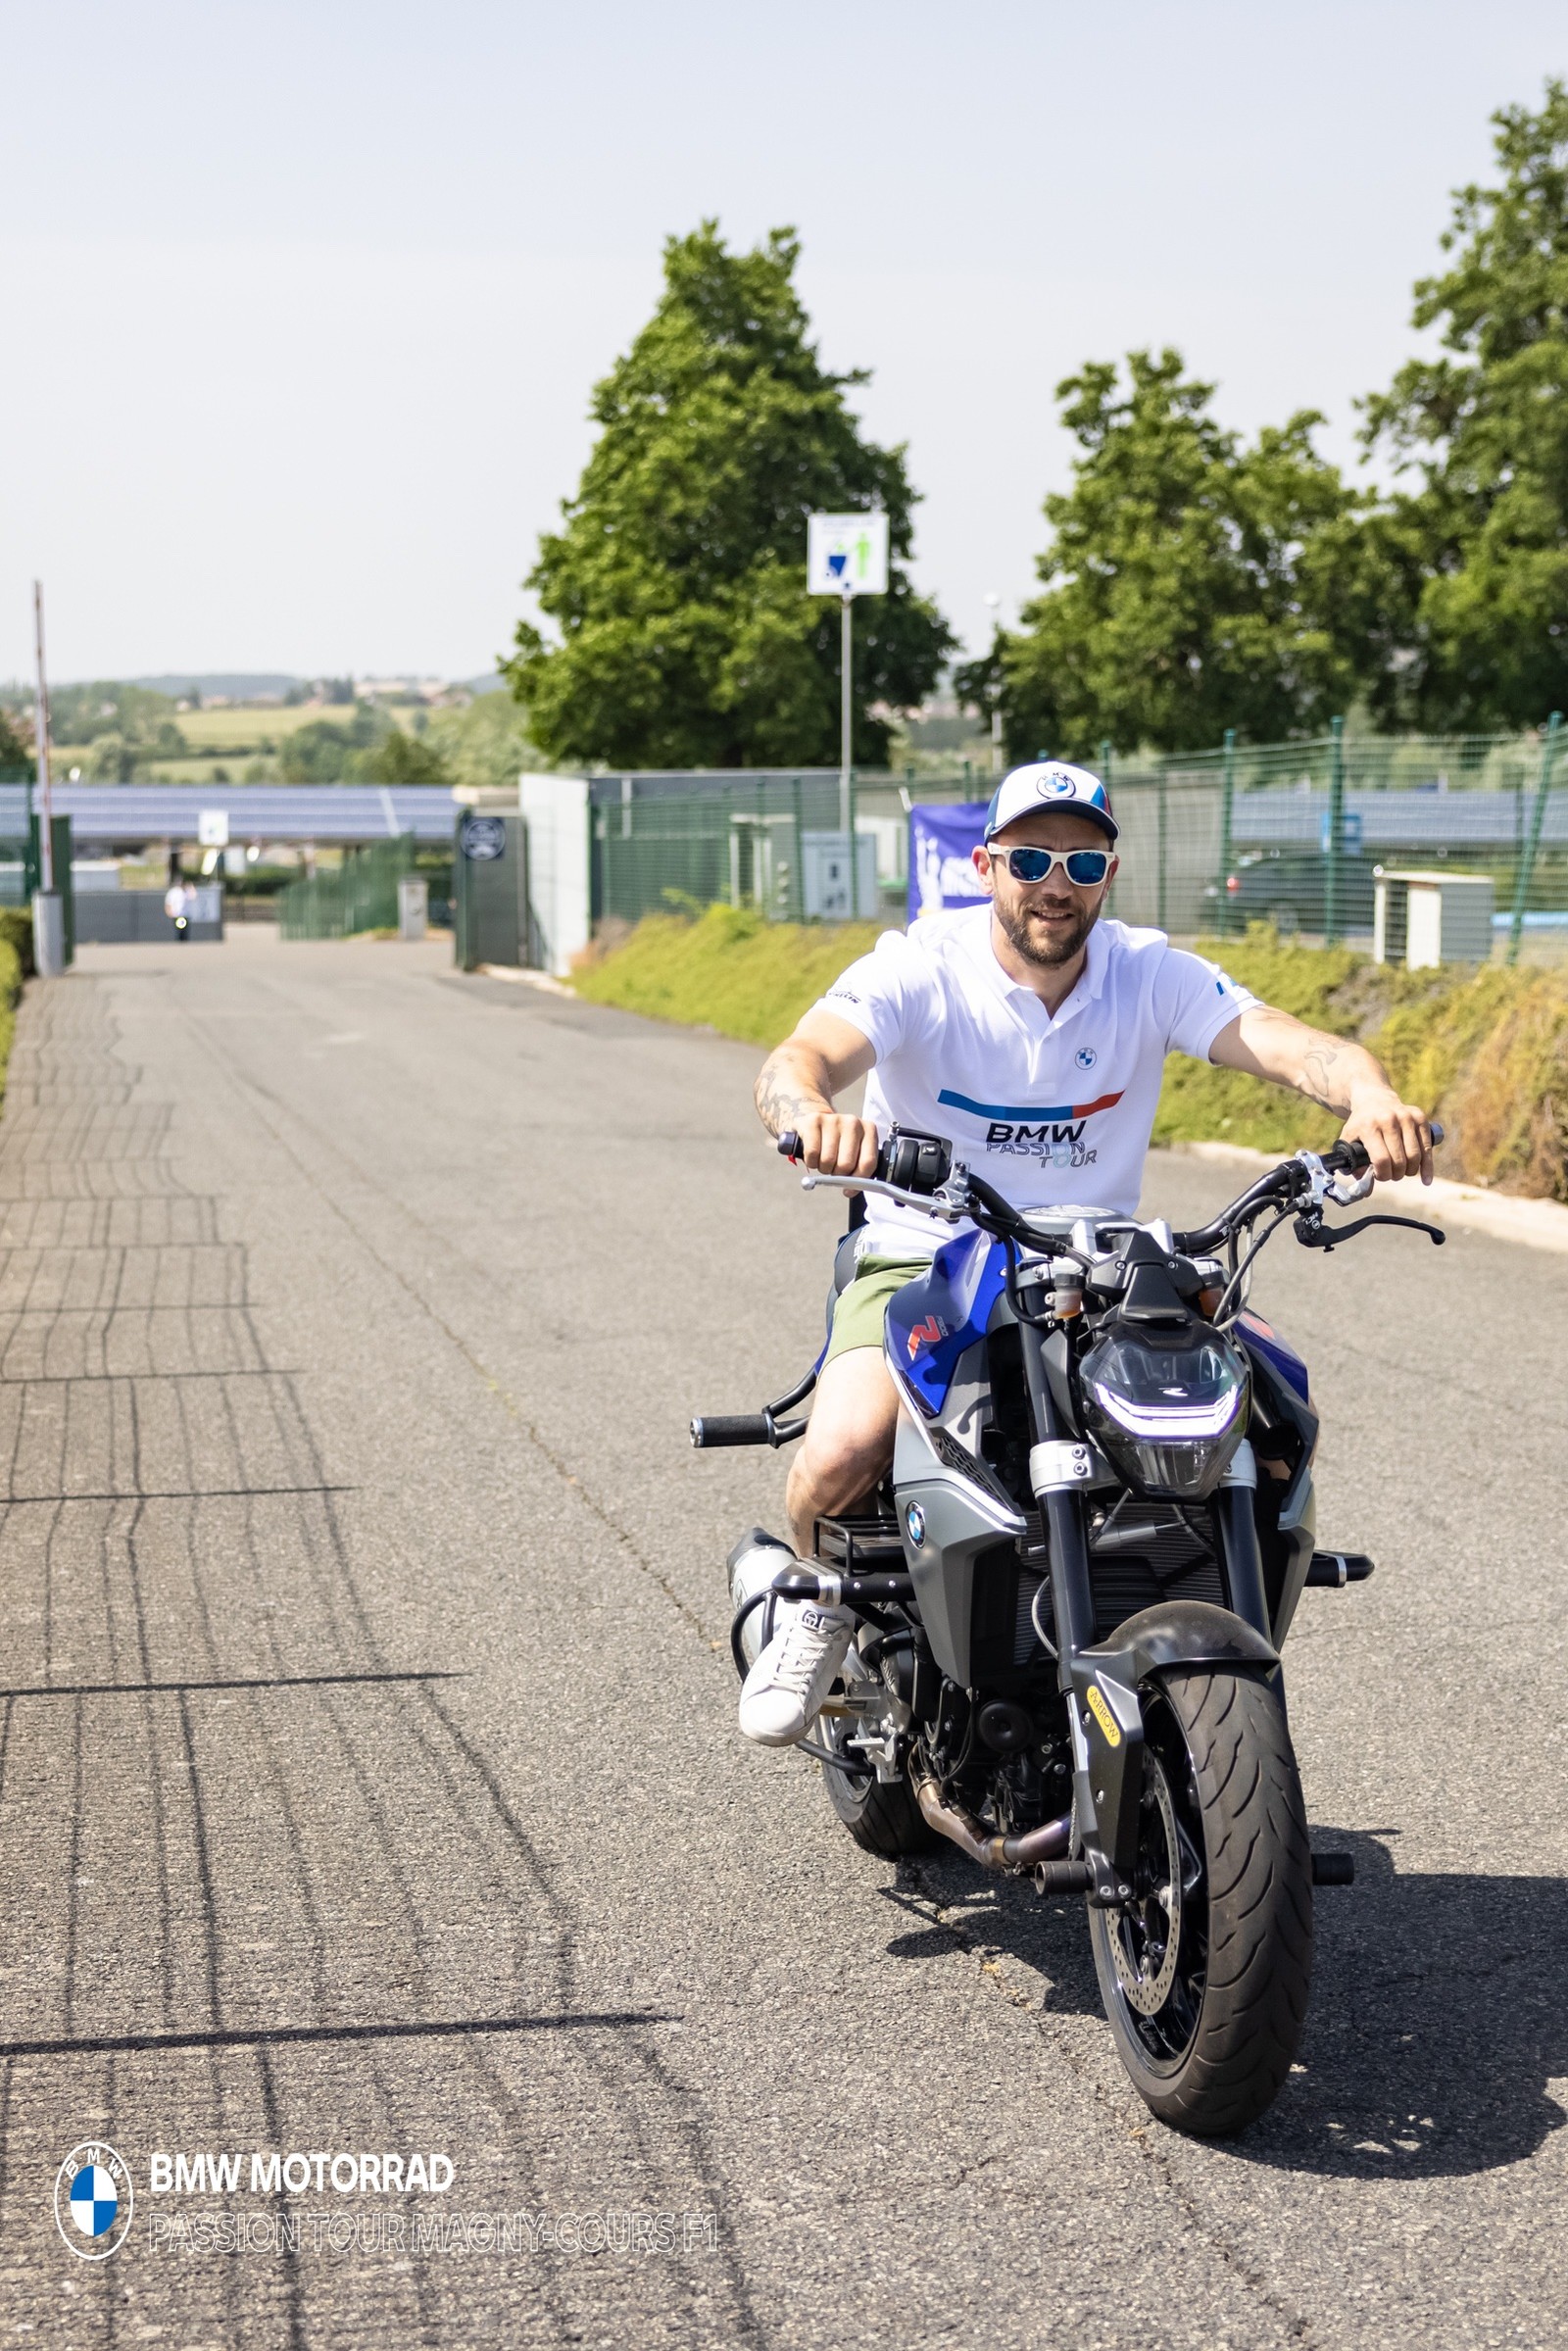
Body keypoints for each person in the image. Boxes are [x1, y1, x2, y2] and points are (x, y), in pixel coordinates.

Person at [738, 759, 1434, 1746]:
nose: (1054, 882)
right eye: (1030, 858)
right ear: (985, 865)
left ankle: (1213, 1626)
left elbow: (1290, 1042)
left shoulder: (1148, 971)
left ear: (1109, 872)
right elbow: (797, 1060)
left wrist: (1368, 1095)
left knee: (1271, 1419)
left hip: (1095, 1259)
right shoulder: (918, 967)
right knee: (848, 1444)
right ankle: (819, 1599)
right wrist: (812, 1112)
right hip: (926, 1247)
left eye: (1081, 861)